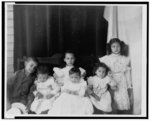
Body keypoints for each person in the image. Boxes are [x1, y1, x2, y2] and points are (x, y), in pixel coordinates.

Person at [99, 38, 132, 114]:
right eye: (113, 46)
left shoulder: (124, 59)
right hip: (110, 80)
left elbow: (127, 74)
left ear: (121, 47)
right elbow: (102, 71)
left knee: (121, 100)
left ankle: (120, 115)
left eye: (118, 46)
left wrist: (129, 85)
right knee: (111, 100)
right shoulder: (106, 58)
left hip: (121, 80)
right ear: (110, 47)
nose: (116, 48)